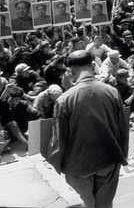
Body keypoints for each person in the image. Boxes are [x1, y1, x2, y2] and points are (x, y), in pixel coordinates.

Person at [53, 50, 129, 208]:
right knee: (105, 205)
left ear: (71, 71)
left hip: (78, 166)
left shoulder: (63, 100)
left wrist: (59, 165)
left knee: (89, 203)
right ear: (93, 66)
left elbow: (59, 140)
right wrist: (122, 156)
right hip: (108, 160)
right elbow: (123, 129)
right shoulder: (112, 91)